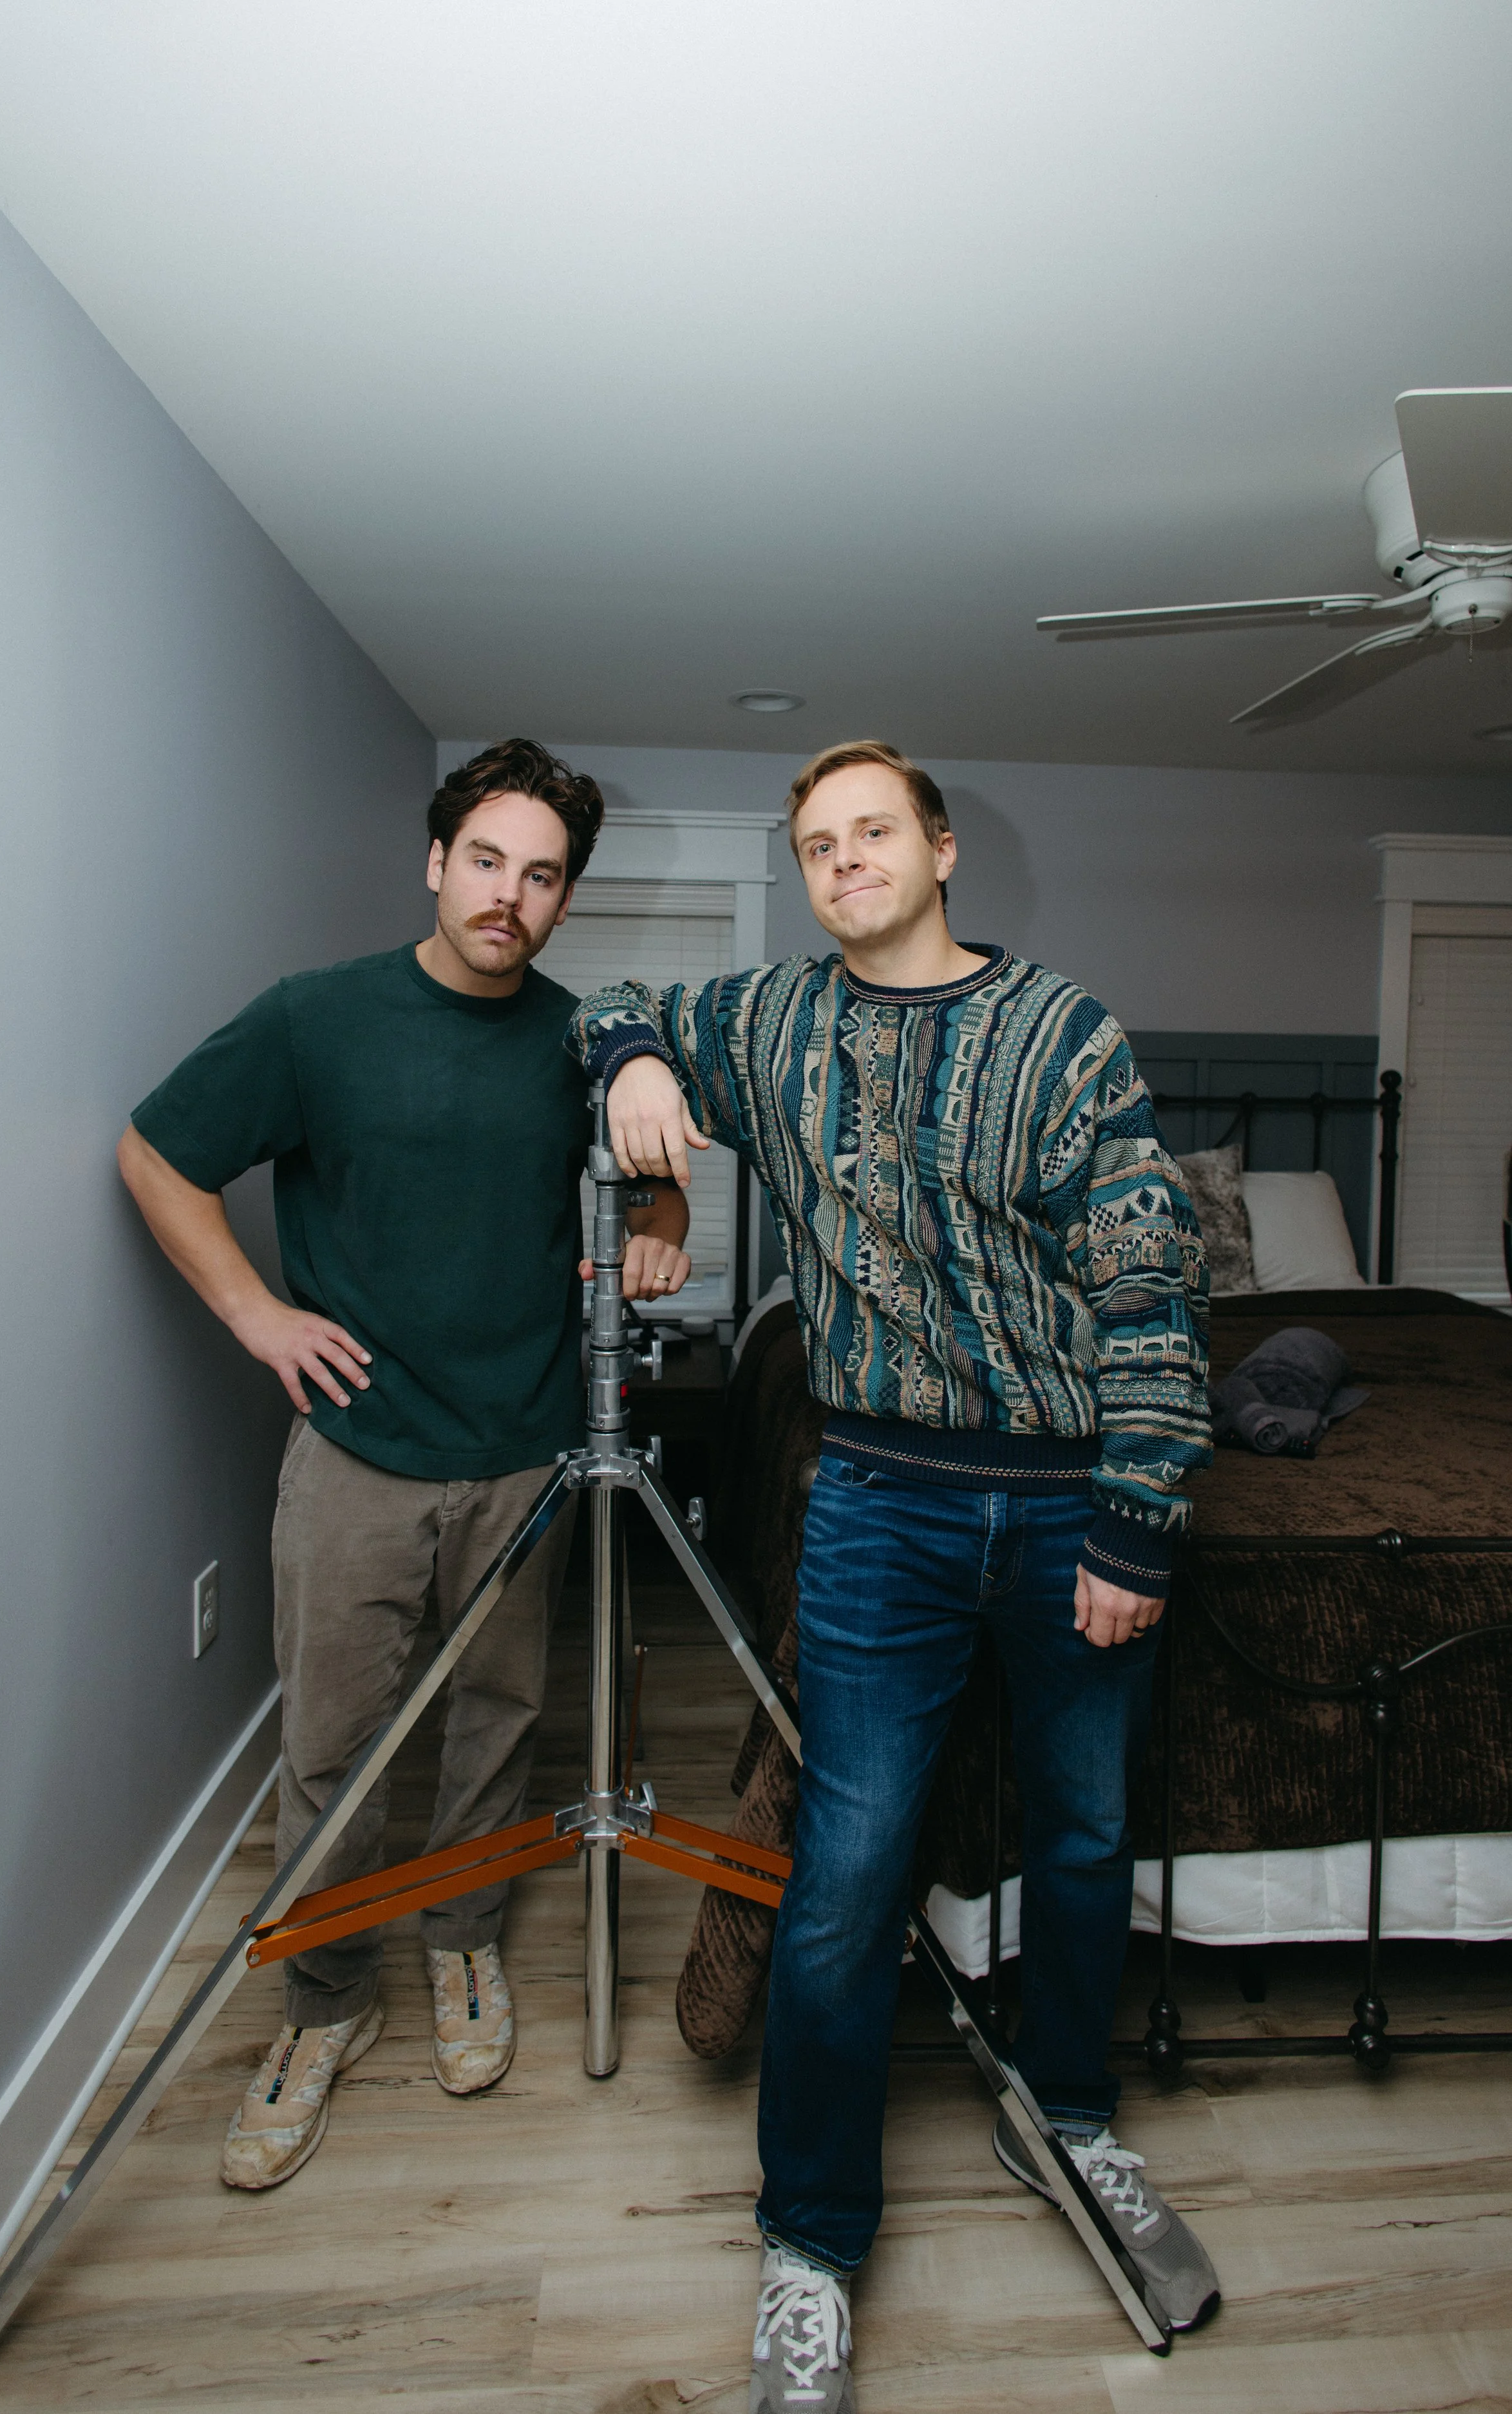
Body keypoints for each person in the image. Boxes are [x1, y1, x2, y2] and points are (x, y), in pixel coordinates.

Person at [568, 739, 1217, 2411]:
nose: (843, 858)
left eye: (872, 830)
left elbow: (1149, 1278)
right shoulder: (772, 1024)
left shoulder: (1059, 1031)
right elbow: (609, 1002)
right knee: (846, 1875)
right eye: (814, 843)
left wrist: (1137, 1517)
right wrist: (637, 1074)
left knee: (1084, 1835)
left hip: (1065, 1501)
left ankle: (1064, 2121)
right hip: (872, 1504)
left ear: (939, 849)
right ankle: (808, 2241)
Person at [120, 739, 690, 2191]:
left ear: (564, 899)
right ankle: (323, 2004)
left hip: (528, 1455)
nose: (509, 895)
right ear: (436, 862)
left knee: (498, 1722)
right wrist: (257, 1314)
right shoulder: (315, 1019)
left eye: (541, 875)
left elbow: (659, 1174)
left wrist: (661, 1220)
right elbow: (157, 1153)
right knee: (333, 1746)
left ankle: (464, 1943)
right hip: (358, 1453)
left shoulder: (578, 1042)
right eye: (486, 860)